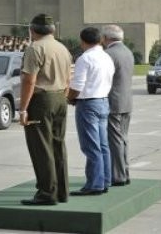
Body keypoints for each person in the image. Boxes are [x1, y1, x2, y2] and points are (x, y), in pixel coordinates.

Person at [19, 14, 72, 206]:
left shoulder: (35, 48)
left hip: (41, 99)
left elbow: (29, 80)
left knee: (41, 147)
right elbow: (68, 77)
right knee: (58, 145)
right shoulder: (62, 47)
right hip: (59, 97)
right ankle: (62, 191)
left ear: (32, 30)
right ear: (52, 30)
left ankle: (47, 193)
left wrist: (23, 109)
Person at [67, 27, 115, 196]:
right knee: (103, 145)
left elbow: (78, 85)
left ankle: (95, 184)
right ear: (100, 40)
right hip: (103, 101)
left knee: (91, 147)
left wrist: (69, 98)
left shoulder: (85, 58)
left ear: (82, 41)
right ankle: (105, 180)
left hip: (88, 103)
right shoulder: (106, 57)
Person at [101, 25, 134, 186]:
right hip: (126, 101)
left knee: (114, 141)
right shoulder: (127, 51)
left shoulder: (108, 54)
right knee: (123, 139)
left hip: (113, 102)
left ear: (106, 38)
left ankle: (118, 176)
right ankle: (124, 172)